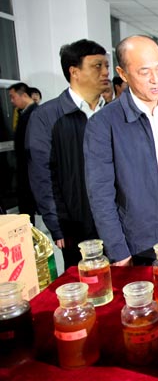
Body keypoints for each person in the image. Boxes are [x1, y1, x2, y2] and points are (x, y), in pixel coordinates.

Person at [84, 35, 158, 267]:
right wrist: (117, 250)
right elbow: (100, 195)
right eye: (144, 72)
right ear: (123, 73)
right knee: (147, 288)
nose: (155, 79)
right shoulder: (104, 123)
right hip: (139, 228)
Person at [26, 39, 110, 269]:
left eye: (106, 66)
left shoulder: (112, 113)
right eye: (97, 66)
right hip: (76, 222)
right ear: (74, 72)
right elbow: (43, 175)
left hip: (116, 219)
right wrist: (56, 223)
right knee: (86, 280)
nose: (105, 72)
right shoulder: (48, 117)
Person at [9, 82, 38, 225]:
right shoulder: (24, 113)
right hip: (25, 169)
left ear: (24, 95)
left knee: (28, 207)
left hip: (30, 170)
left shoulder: (35, 114)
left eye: (13, 97)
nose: (11, 101)